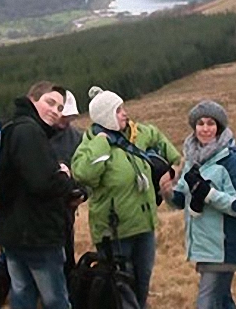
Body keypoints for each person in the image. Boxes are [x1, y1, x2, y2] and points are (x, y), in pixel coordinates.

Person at [71, 86, 181, 309]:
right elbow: (84, 174)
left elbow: (160, 140)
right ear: (105, 116)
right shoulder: (91, 144)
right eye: (118, 110)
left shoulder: (136, 134)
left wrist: (173, 168)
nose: (125, 113)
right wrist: (102, 142)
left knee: (142, 283)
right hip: (114, 232)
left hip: (144, 225)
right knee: (120, 289)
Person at [160, 100, 236, 309]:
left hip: (225, 246)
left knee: (207, 301)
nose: (205, 129)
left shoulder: (232, 161)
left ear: (219, 127)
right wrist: (167, 191)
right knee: (222, 301)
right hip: (205, 248)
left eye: (210, 123)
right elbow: (181, 200)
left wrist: (209, 194)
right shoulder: (193, 160)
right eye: (200, 123)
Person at [0, 81, 79, 309]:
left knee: (22, 294)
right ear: (33, 100)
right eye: (49, 102)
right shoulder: (29, 131)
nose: (55, 111)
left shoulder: (11, 127)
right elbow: (42, 183)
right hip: (37, 235)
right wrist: (64, 176)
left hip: (12, 232)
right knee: (55, 299)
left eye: (60, 108)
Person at [49, 90, 86, 280]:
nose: (66, 121)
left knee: (67, 255)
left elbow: (86, 173)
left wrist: (82, 194)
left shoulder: (77, 138)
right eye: (63, 117)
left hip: (67, 211)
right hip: (41, 213)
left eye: (69, 117)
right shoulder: (36, 136)